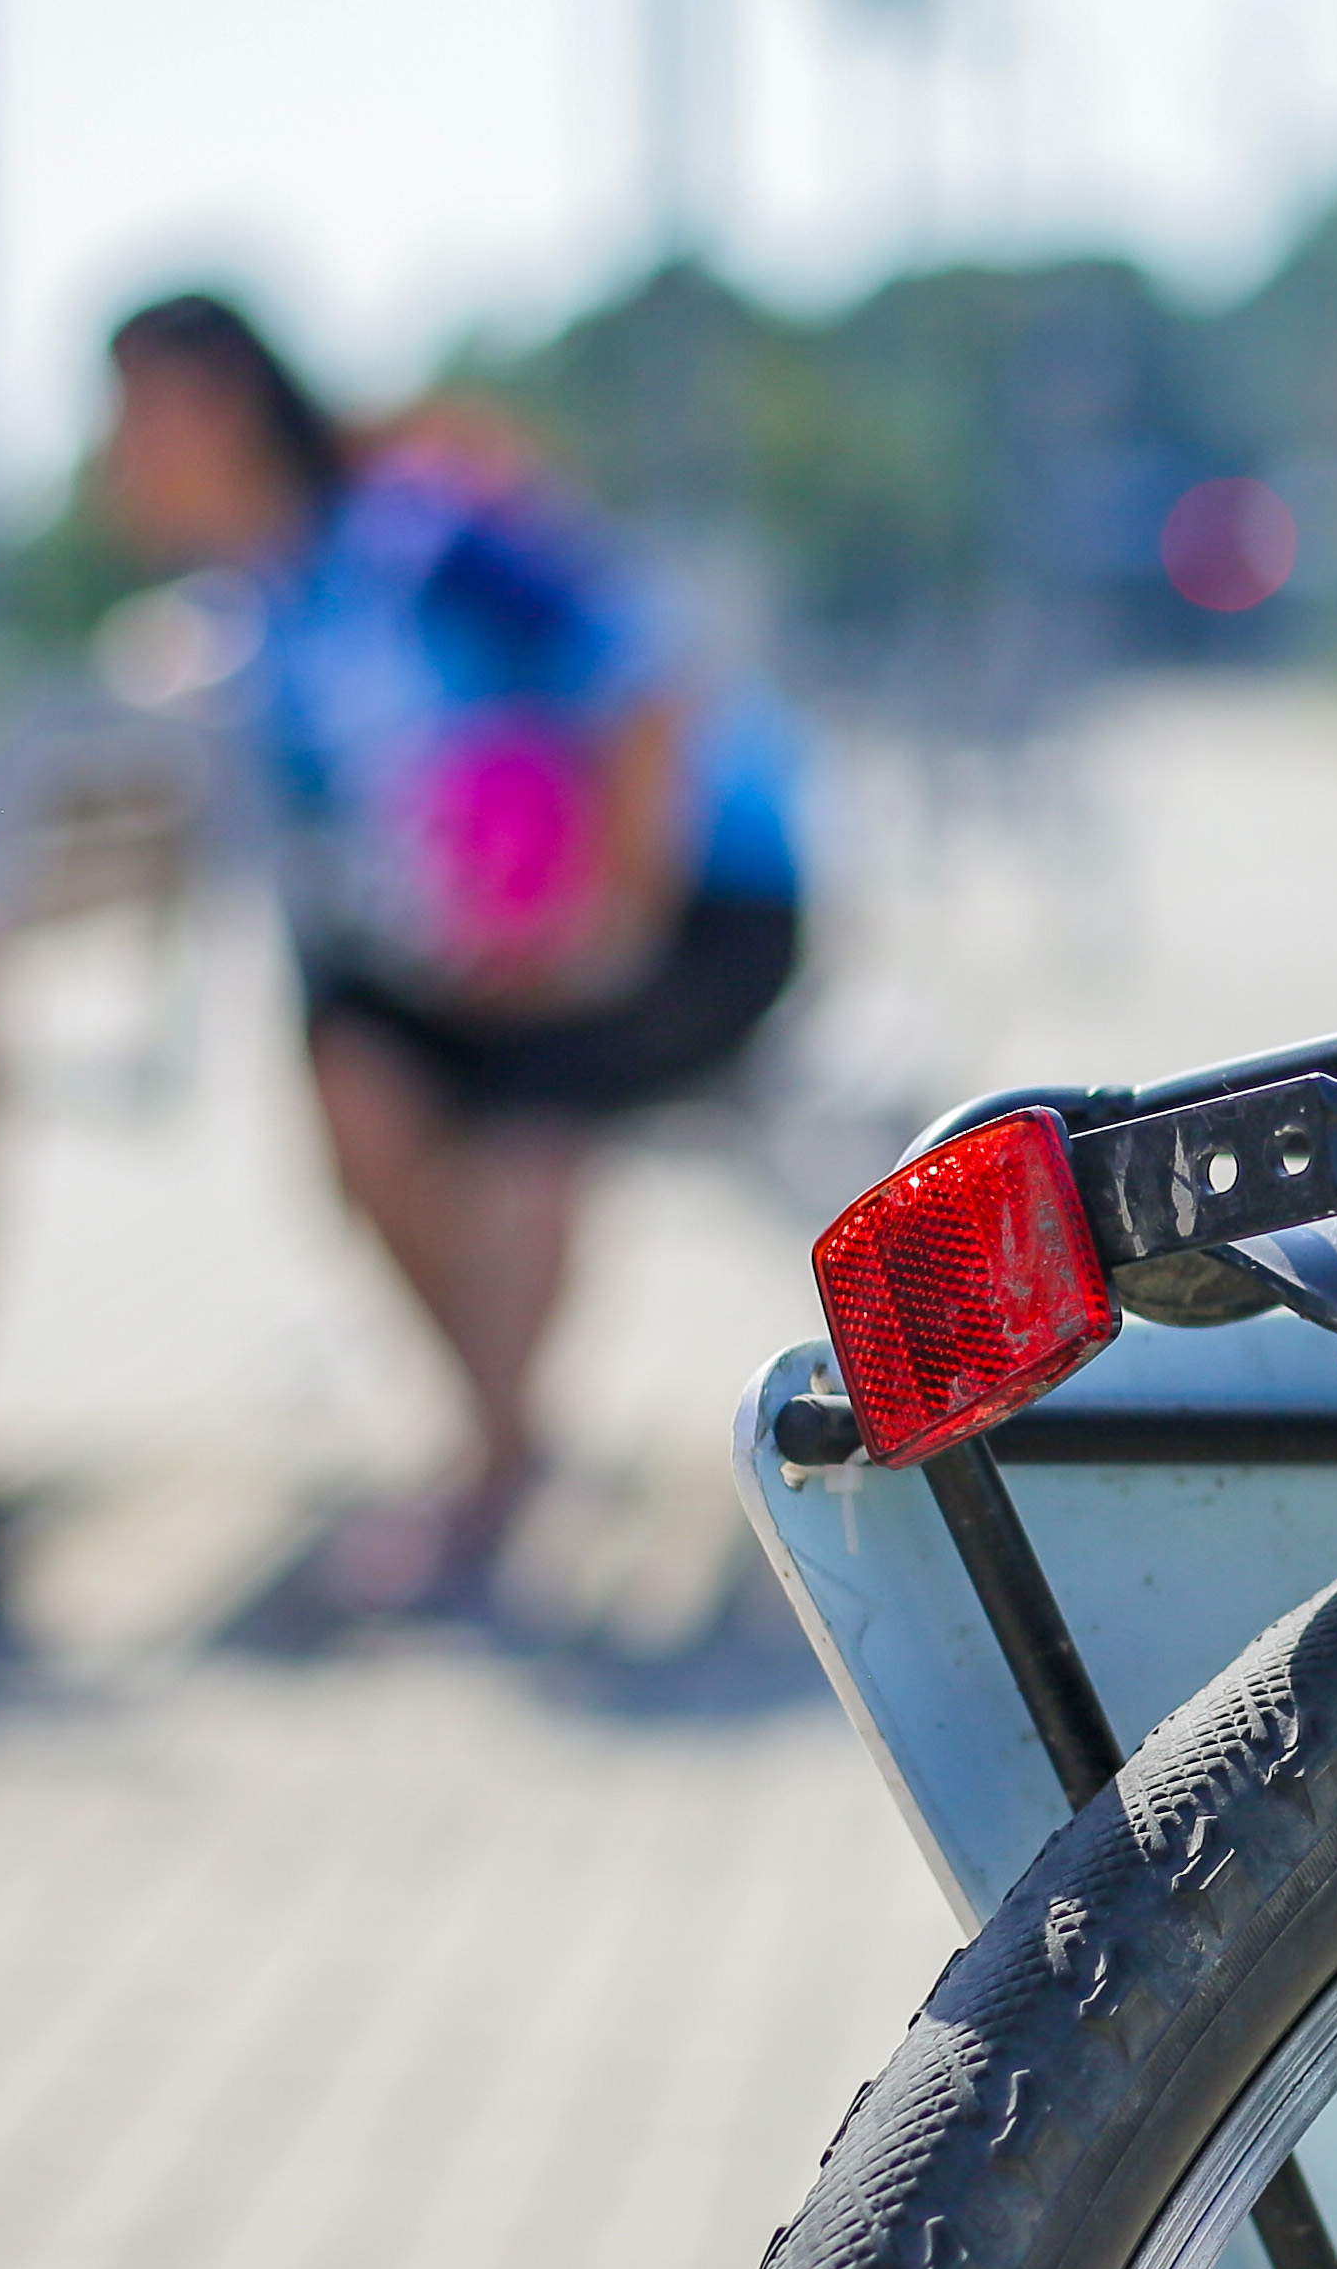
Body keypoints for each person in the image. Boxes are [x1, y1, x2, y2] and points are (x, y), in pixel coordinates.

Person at [87, 291, 809, 1604]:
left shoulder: (419, 534)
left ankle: (487, 1483)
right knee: (352, 1068)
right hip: (511, 945)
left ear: (214, 402)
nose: (102, 455)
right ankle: (502, 1446)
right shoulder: (272, 602)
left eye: (122, 413)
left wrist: (611, 911)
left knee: (526, 1117)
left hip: (706, 903)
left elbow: (651, 675)